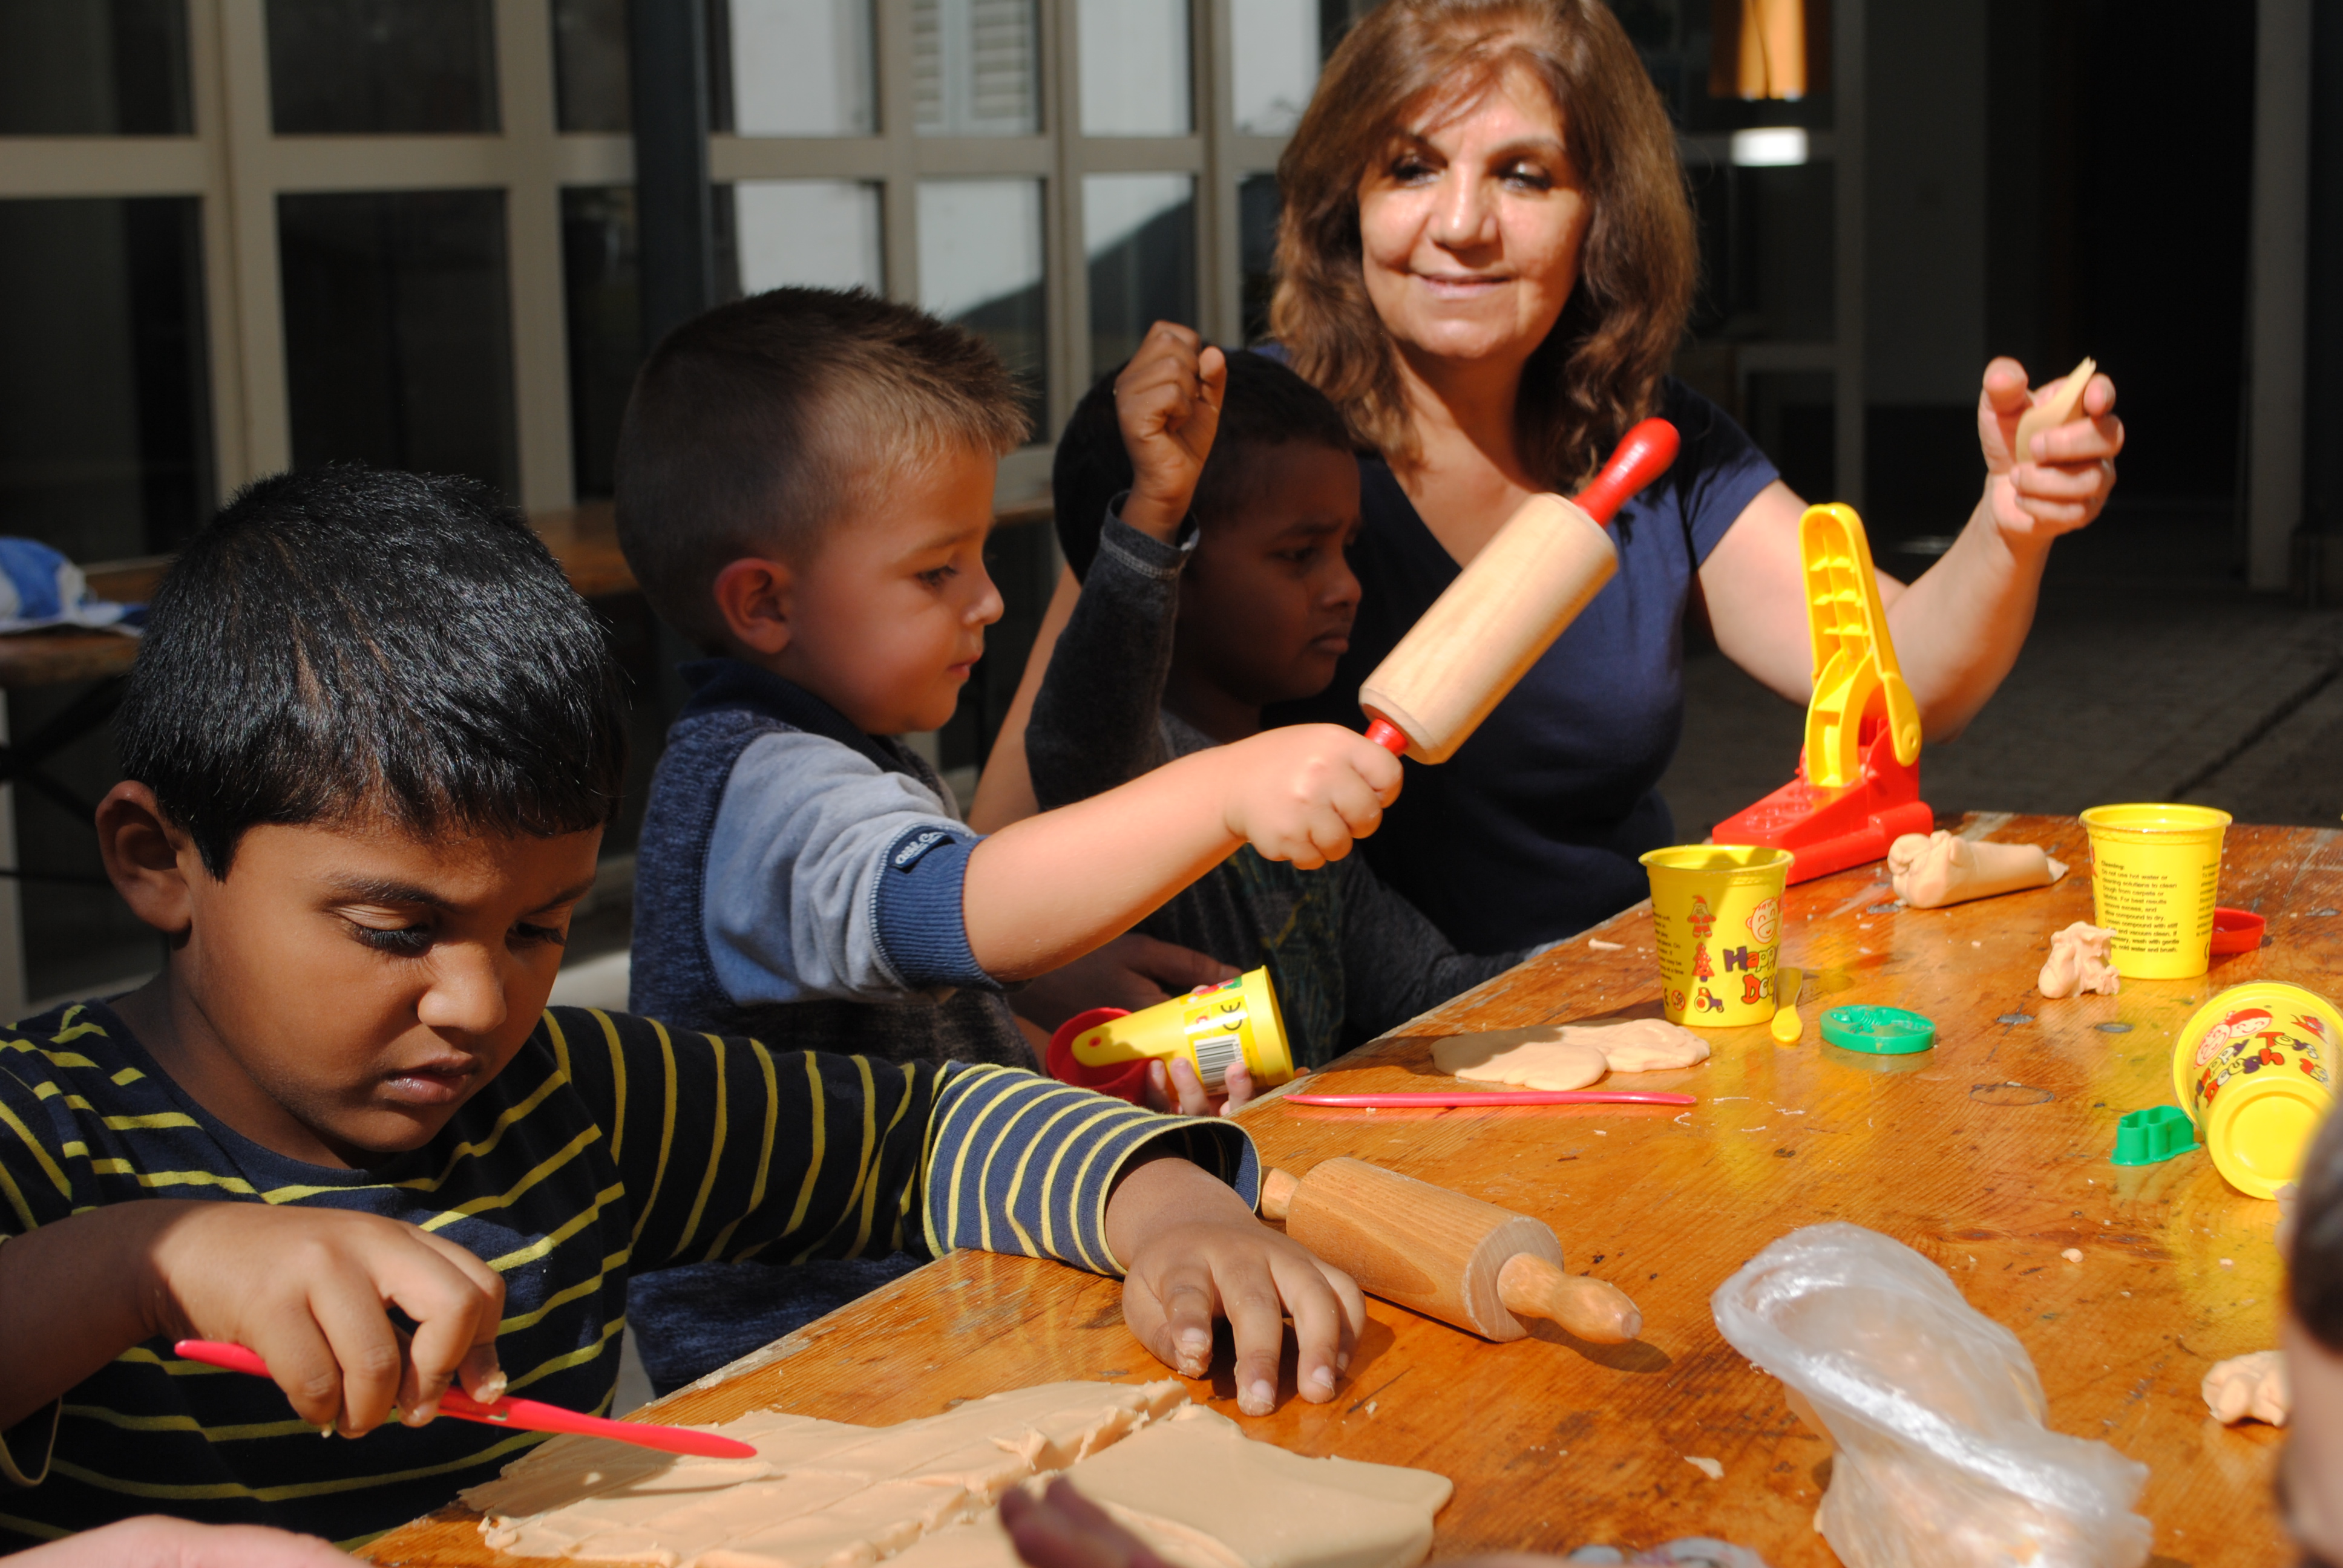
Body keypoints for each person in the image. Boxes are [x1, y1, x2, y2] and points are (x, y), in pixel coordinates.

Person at [0, 467, 1366, 1550]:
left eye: (541, 927)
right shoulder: (47, 1137)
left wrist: (1171, 1212)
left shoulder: (569, 1097)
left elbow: (924, 1132)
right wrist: (144, 1261)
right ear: (158, 860)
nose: (477, 1003)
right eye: (393, 931)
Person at [981, 0, 2125, 954]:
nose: (1462, 224)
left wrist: (2008, 521)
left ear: (1603, 216)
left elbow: (1903, 687)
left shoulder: (1656, 448)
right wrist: (1060, 980)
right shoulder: (1229, 438)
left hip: (1607, 994)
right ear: (1346, 203)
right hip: (1325, 1052)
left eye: (1524, 176)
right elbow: (1019, 819)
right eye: (1412, 168)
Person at [611, 287, 1392, 1387]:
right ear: (763, 604)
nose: (986, 602)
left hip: (919, 1309)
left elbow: (915, 996)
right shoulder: (767, 782)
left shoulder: (829, 748)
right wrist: (1225, 789)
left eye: (979, 559)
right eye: (938, 571)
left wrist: (1057, 1035)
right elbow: (956, 907)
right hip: (820, 1366)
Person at [1029, 325, 1535, 1067]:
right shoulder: (1120, 772)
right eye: (1299, 555)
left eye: (1345, 549)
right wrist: (1154, 512)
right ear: (1175, 572)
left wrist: (1616, 960)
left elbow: (1432, 988)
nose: (1347, 587)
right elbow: (1087, 711)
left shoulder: (1299, 794)